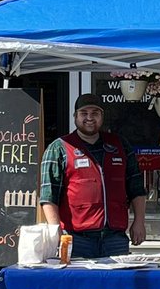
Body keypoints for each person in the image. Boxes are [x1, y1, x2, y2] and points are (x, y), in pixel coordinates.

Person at [40, 93, 147, 259]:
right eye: (84, 113)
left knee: (116, 284)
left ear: (102, 117)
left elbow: (136, 187)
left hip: (115, 239)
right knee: (78, 285)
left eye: (95, 113)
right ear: (75, 116)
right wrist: (57, 233)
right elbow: (48, 196)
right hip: (77, 239)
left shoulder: (119, 145)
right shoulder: (59, 148)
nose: (89, 118)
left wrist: (139, 221)